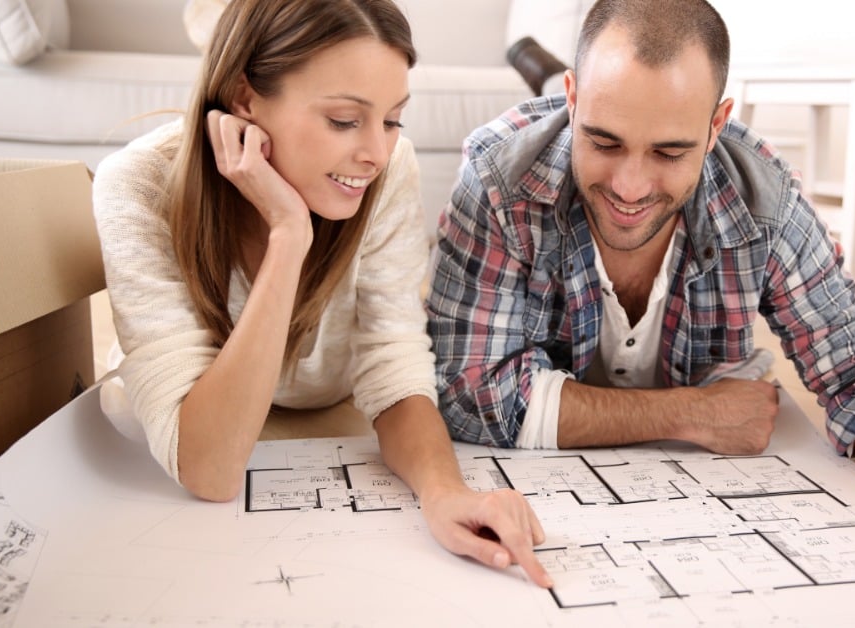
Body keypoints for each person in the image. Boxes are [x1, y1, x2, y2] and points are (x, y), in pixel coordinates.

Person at [427, 0, 855, 597]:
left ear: (716, 127)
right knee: (545, 93)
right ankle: (541, 70)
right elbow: (471, 397)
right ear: (575, 101)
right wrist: (688, 415)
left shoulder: (765, 199)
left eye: (669, 151)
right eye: (604, 140)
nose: (629, 185)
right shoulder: (498, 177)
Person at [92, 0, 550, 588]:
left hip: (327, 415)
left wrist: (444, 494)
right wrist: (288, 237)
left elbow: (393, 363)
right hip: (193, 432)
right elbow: (210, 469)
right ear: (245, 98)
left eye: (392, 120)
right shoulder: (136, 185)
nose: (376, 154)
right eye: (343, 120)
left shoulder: (389, 170)